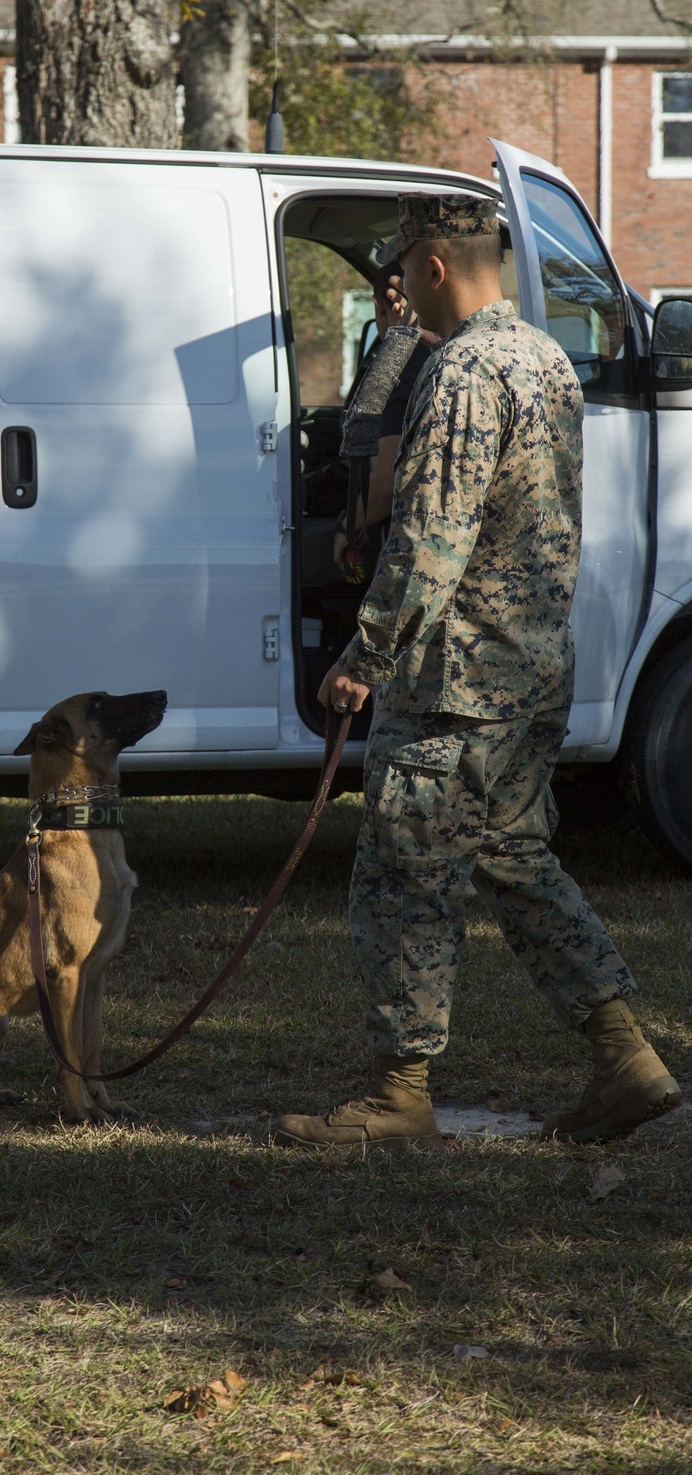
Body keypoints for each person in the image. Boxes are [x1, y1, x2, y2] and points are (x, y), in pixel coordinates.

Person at [274, 193, 682, 1151]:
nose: (399, 290)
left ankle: (398, 1096)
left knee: (401, 880)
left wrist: (363, 655)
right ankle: (628, 1061)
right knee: (513, 859)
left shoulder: (461, 372)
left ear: (437, 266)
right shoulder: (543, 358)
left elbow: (433, 541)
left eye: (403, 268)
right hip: (530, 667)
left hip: (456, 683)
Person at [333, 260, 435, 584]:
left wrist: (346, 528)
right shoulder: (444, 358)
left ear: (382, 306)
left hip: (409, 562)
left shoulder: (400, 369)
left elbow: (386, 482)